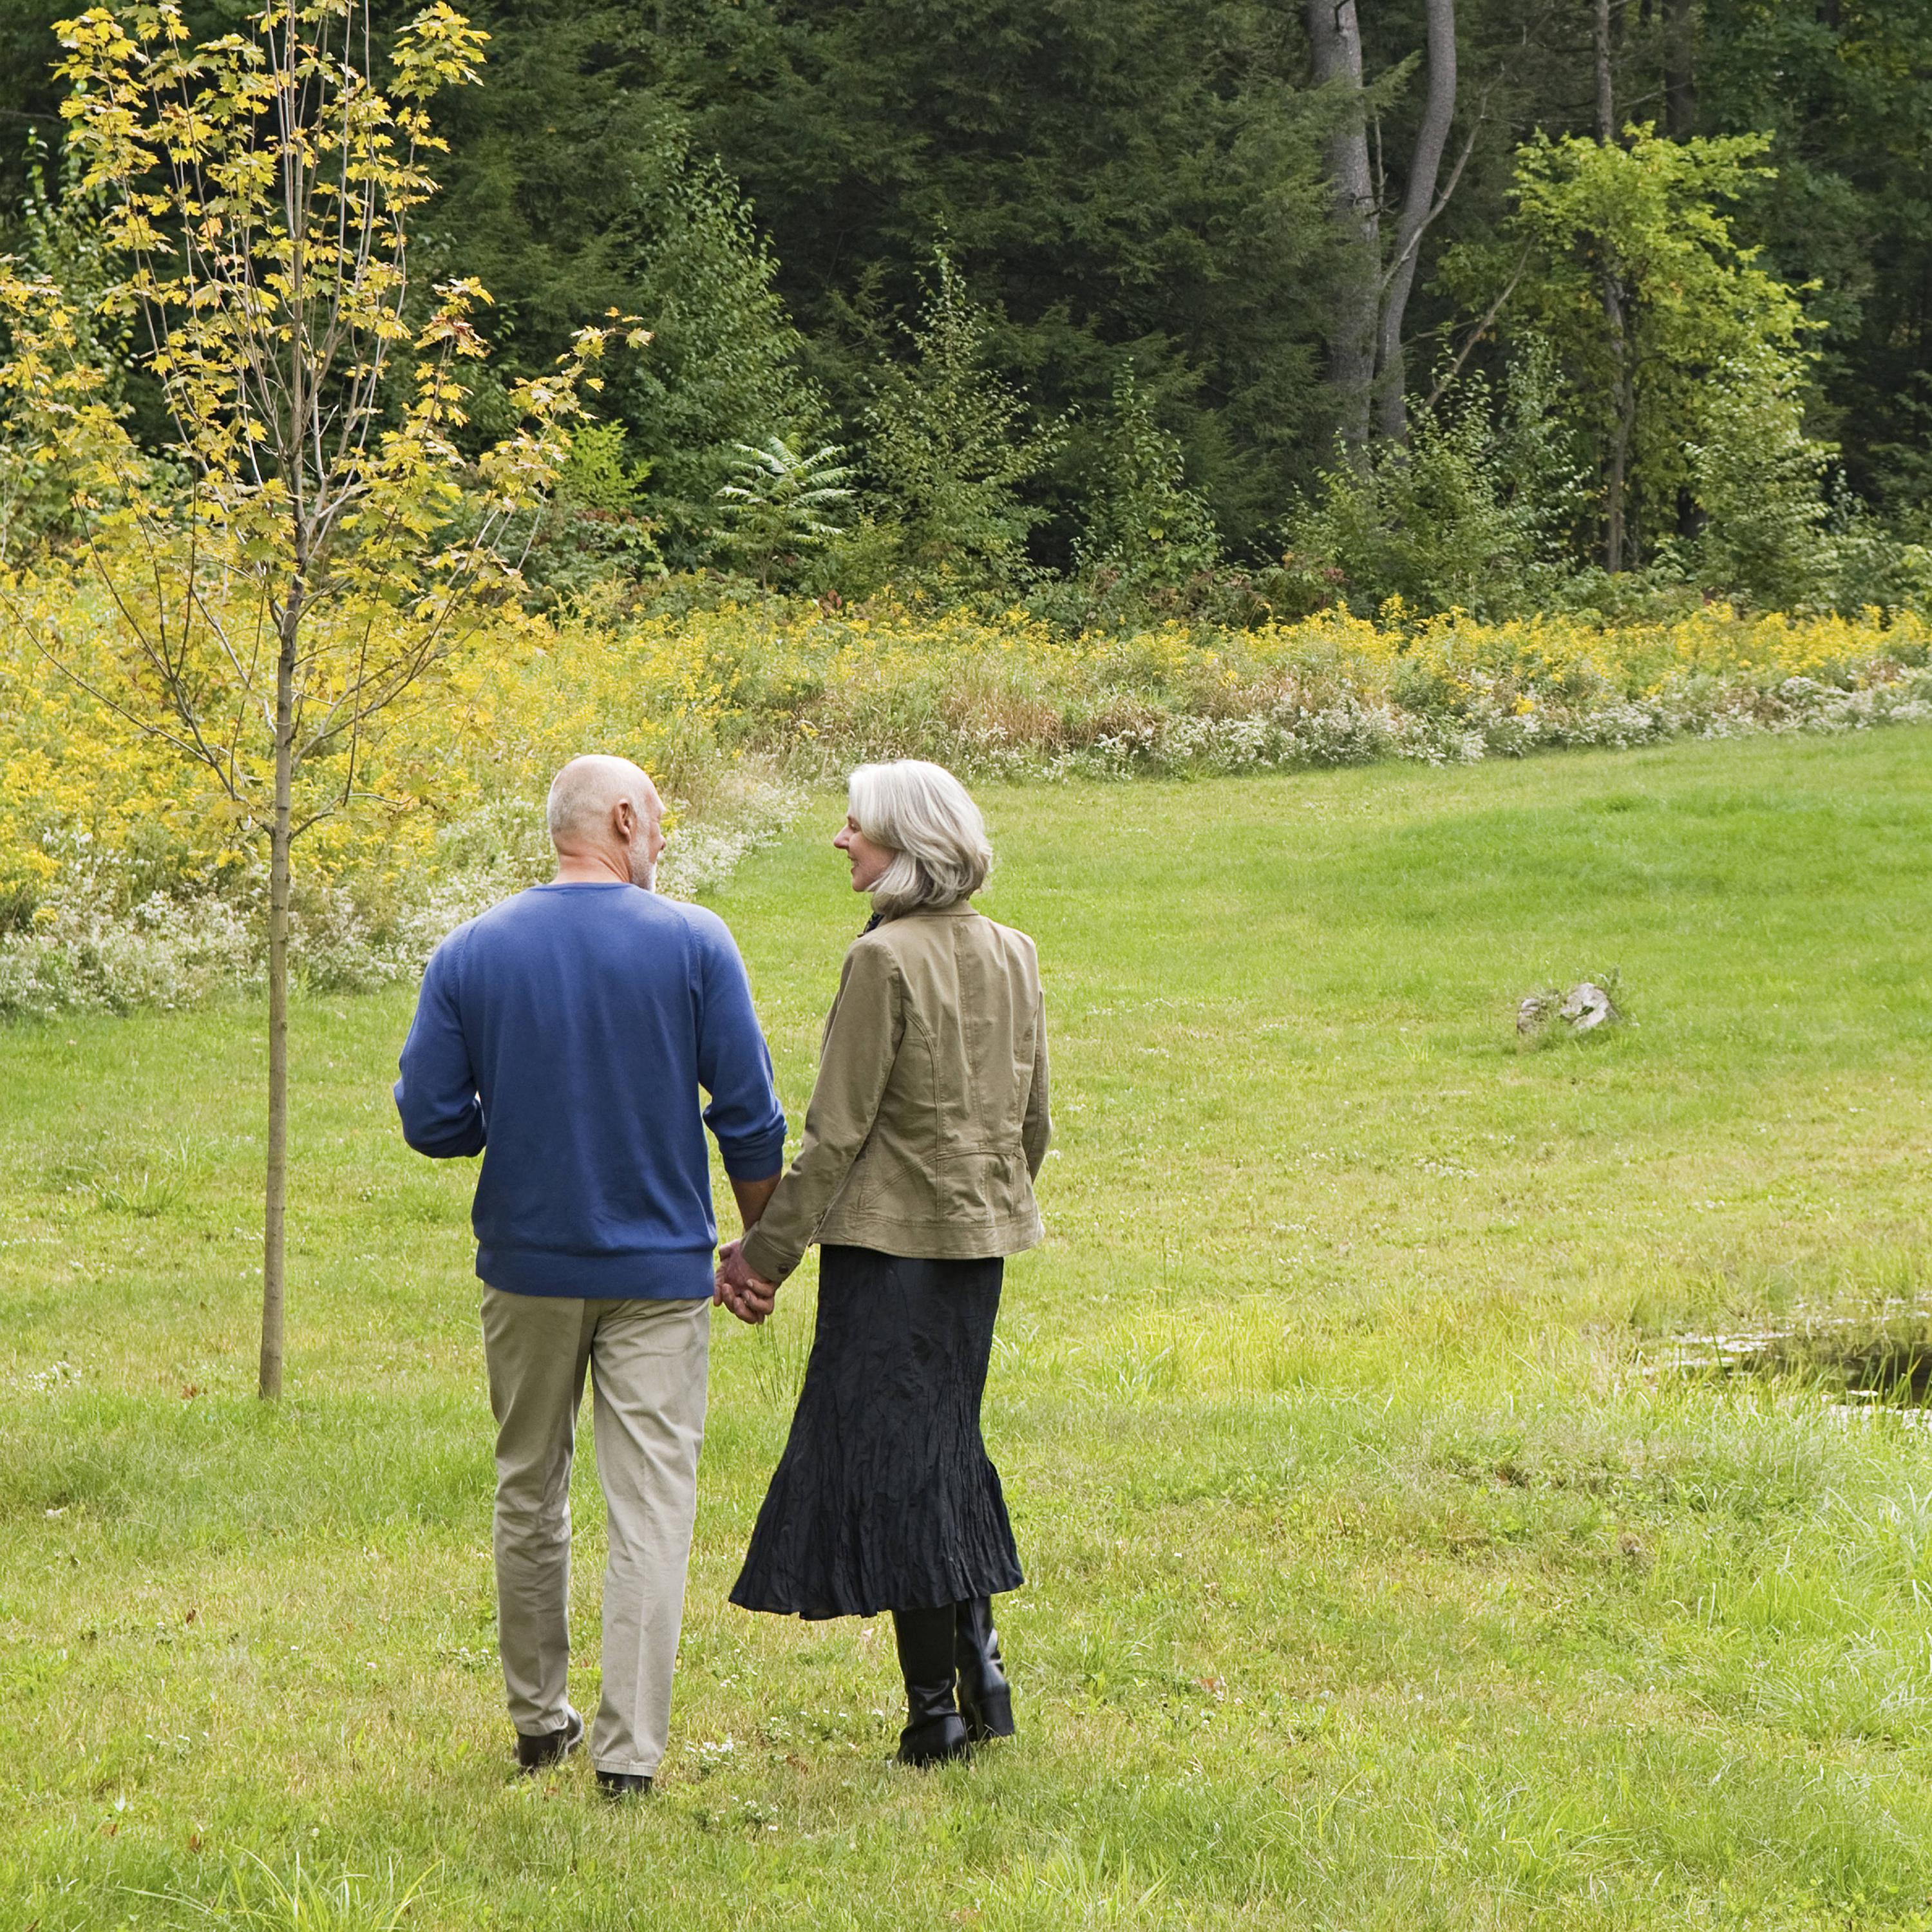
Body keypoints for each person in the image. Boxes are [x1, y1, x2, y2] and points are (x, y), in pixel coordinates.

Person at [394, 754, 786, 1800]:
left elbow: (430, 1118)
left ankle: (538, 1723)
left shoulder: (472, 951)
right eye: (657, 819)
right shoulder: (695, 943)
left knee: (531, 1485)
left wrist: (507, 1121)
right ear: (622, 820)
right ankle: (628, 1758)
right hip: (659, 1272)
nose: (663, 838)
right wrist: (759, 1250)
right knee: (650, 1503)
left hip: (525, 1267)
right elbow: (749, 1115)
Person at [715, 758, 1050, 1768]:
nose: (840, 838)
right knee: (943, 1448)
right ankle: (980, 1672)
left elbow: (833, 1139)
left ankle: (934, 1714)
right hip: (975, 1248)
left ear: (907, 843)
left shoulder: (884, 961)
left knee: (900, 1468)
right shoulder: (1015, 951)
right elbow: (1034, 1125)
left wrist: (762, 1258)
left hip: (889, 1257)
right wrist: (983, 1207)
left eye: (856, 823)